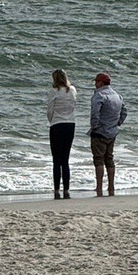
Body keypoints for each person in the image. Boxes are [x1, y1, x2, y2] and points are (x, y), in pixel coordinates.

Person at [89, 72, 127, 196]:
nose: (95, 84)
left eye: (96, 82)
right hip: (112, 131)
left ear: (101, 82)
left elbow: (95, 113)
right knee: (109, 159)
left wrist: (95, 126)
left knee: (98, 159)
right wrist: (117, 123)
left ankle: (99, 186)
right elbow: (124, 112)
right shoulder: (117, 96)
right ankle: (111, 185)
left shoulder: (99, 95)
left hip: (100, 132)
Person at [45, 69, 76, 199]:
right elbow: (74, 105)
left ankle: (57, 189)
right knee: (65, 159)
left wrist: (52, 121)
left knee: (56, 160)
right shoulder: (72, 90)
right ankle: (66, 190)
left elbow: (50, 110)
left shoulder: (54, 91)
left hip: (57, 124)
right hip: (70, 123)